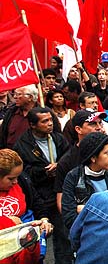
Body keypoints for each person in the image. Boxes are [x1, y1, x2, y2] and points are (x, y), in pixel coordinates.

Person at [13, 107, 72, 263]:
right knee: (37, 242)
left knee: (63, 236)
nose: (49, 124)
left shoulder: (58, 139)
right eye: (44, 121)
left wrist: (59, 165)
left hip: (59, 192)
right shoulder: (23, 145)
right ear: (33, 125)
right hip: (39, 196)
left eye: (50, 120)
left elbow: (69, 157)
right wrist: (43, 172)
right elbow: (23, 172)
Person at [0, 148, 53, 264]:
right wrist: (7, 221)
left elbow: (37, 202)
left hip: (24, 248)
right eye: (10, 178)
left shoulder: (22, 183)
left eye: (17, 176)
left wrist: (44, 220)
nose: (15, 182)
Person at [61, 132, 108, 229]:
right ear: (93, 158)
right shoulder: (73, 177)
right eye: (107, 152)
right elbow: (69, 218)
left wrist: (85, 209)